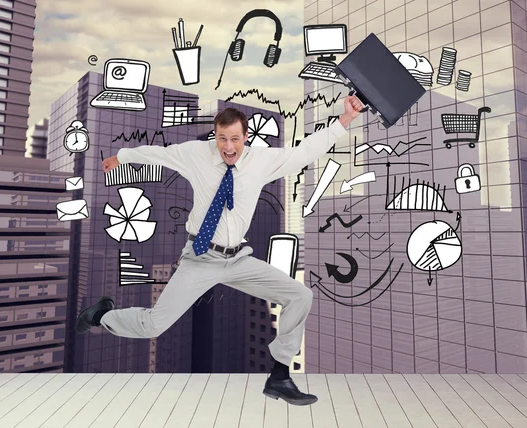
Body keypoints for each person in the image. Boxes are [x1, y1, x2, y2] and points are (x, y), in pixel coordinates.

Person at [76, 95, 363, 405]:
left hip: (238, 258)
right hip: (201, 257)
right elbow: (159, 154)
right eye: (223, 138)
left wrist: (344, 120)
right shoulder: (196, 154)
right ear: (215, 136)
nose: (228, 147)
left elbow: (304, 152)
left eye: (235, 139)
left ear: (246, 137)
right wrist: (124, 156)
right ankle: (102, 315)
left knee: (299, 294)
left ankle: (280, 376)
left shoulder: (261, 161)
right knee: (154, 324)